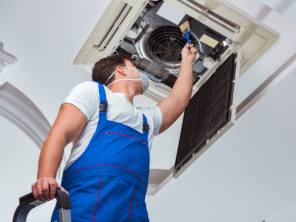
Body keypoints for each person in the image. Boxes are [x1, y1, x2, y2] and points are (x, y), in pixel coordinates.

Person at [32, 43, 197, 221]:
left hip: (132, 206)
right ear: (121, 70)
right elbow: (60, 133)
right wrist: (45, 177)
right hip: (86, 197)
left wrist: (187, 61)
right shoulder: (94, 92)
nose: (142, 74)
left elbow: (179, 100)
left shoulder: (146, 119)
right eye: (134, 66)